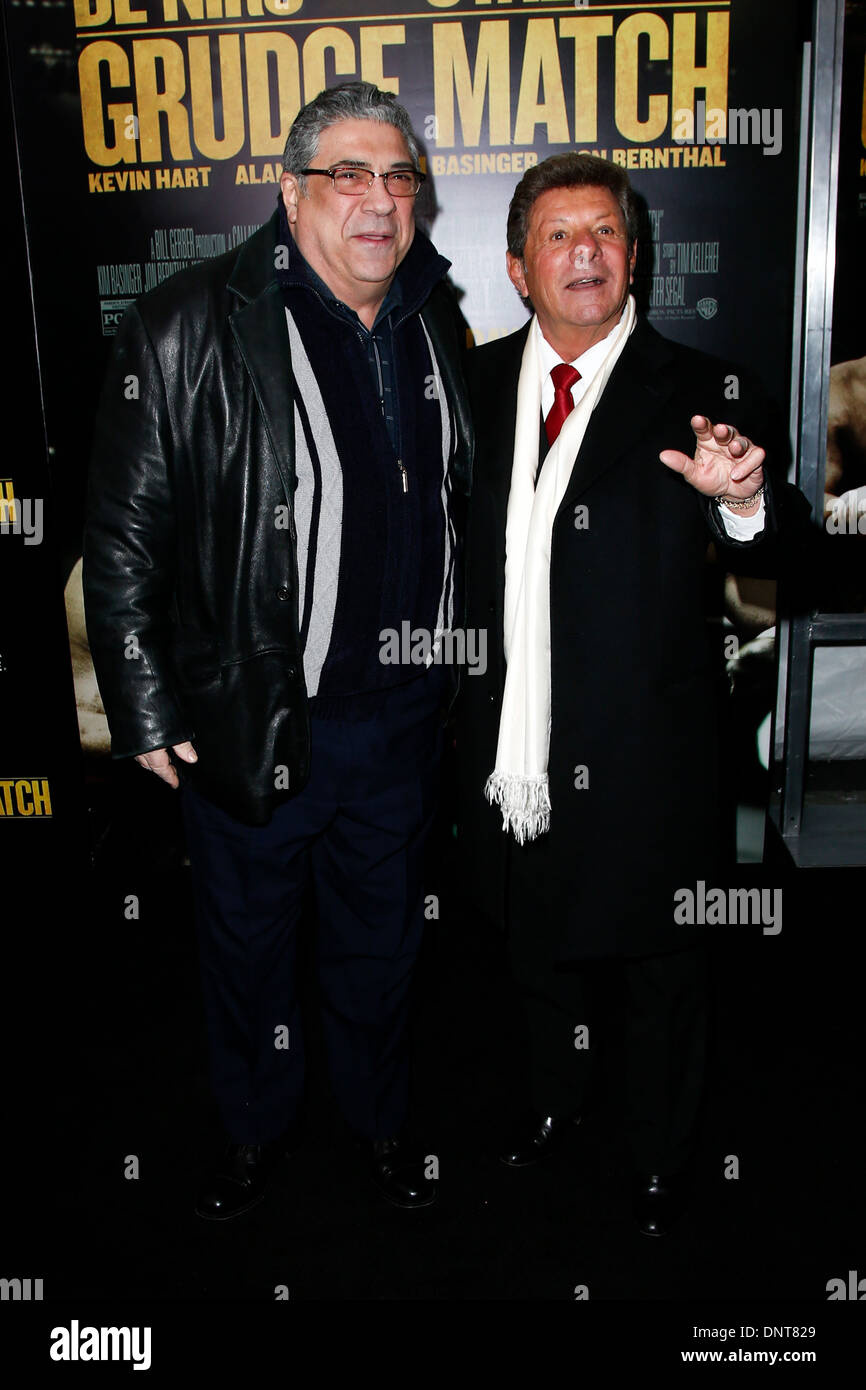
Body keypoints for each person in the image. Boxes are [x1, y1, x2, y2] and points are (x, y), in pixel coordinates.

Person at [83, 81, 472, 1220]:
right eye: (348, 175)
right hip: (256, 718)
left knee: (381, 950)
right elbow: (122, 535)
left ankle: (377, 1122)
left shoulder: (433, 318)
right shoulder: (187, 322)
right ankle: (253, 1130)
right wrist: (145, 706)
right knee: (248, 951)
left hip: (401, 724)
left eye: (397, 176)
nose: (379, 200)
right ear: (291, 192)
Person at [458, 153, 810, 1236]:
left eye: (604, 233)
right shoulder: (466, 387)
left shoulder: (705, 391)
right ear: (517, 267)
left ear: (635, 254)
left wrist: (742, 502)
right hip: (510, 745)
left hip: (648, 749)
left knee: (663, 968)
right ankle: (554, 1103)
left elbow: (784, 545)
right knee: (531, 943)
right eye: (558, 236)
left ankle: (661, 1155)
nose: (585, 254)